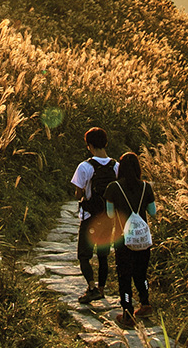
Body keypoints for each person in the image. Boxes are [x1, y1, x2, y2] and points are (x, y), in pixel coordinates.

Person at [104, 151, 157, 328]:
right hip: (142, 237)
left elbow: (111, 214)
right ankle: (145, 303)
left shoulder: (113, 187)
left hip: (123, 238)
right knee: (141, 273)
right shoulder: (146, 187)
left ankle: (127, 313)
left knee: (124, 276)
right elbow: (153, 212)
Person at [70, 126, 118, 304]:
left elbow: (78, 194)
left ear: (89, 145)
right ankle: (102, 289)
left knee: (84, 255)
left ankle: (91, 287)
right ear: (105, 143)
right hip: (107, 216)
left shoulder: (84, 167)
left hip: (90, 216)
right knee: (103, 255)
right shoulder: (116, 166)